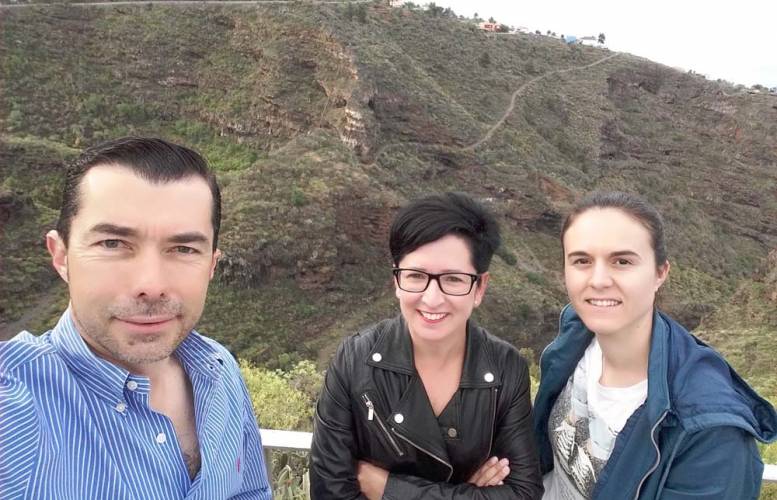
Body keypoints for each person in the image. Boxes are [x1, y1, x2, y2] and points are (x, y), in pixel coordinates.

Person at [0, 137, 272, 499]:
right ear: (61, 256)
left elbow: (250, 492)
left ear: (211, 264)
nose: (151, 285)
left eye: (183, 248)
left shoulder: (219, 370)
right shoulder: (16, 404)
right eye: (112, 244)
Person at [533, 191, 777, 499]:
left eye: (622, 261)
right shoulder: (575, 336)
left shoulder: (710, 432)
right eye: (582, 261)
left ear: (660, 273)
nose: (598, 280)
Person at [309, 192, 543, 500]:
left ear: (479, 287)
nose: (432, 299)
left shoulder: (505, 369)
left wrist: (387, 488)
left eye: (453, 279)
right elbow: (329, 491)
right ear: (396, 280)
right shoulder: (354, 362)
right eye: (416, 276)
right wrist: (468, 493)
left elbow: (524, 493)